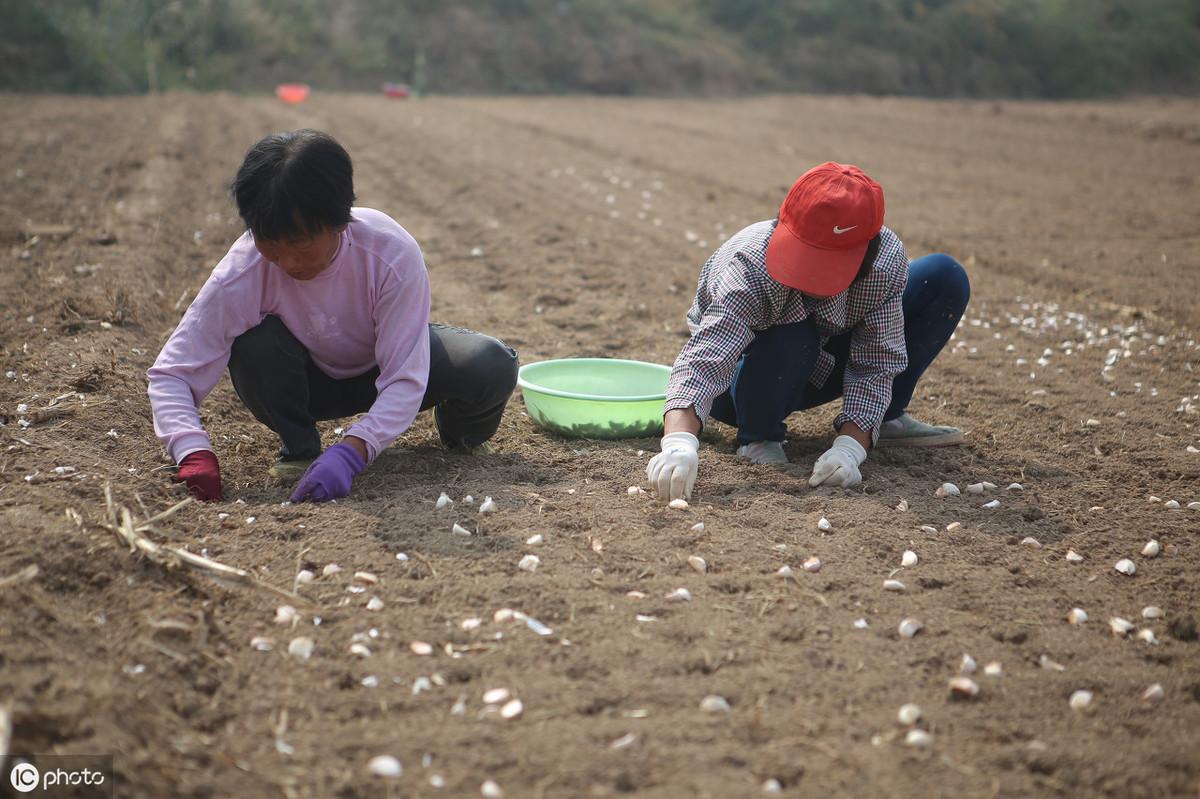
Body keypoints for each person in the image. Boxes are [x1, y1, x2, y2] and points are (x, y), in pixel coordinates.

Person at [147, 129, 519, 503]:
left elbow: (405, 378)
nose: (287, 262)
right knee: (254, 341)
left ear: (341, 221)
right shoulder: (243, 271)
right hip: (306, 382)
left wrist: (353, 451)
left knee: (489, 363)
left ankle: (460, 436)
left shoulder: (390, 253)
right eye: (269, 243)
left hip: (380, 367)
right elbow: (173, 373)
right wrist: (192, 451)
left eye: (299, 243)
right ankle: (300, 448)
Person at [647, 162, 969, 501]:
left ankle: (880, 421)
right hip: (743, 381)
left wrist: (850, 448)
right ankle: (759, 436)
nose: (808, 277)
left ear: (867, 251)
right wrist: (679, 444)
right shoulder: (750, 264)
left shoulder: (884, 262)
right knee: (794, 331)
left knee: (942, 276)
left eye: (826, 264)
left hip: (820, 361)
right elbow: (706, 360)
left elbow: (877, 359)